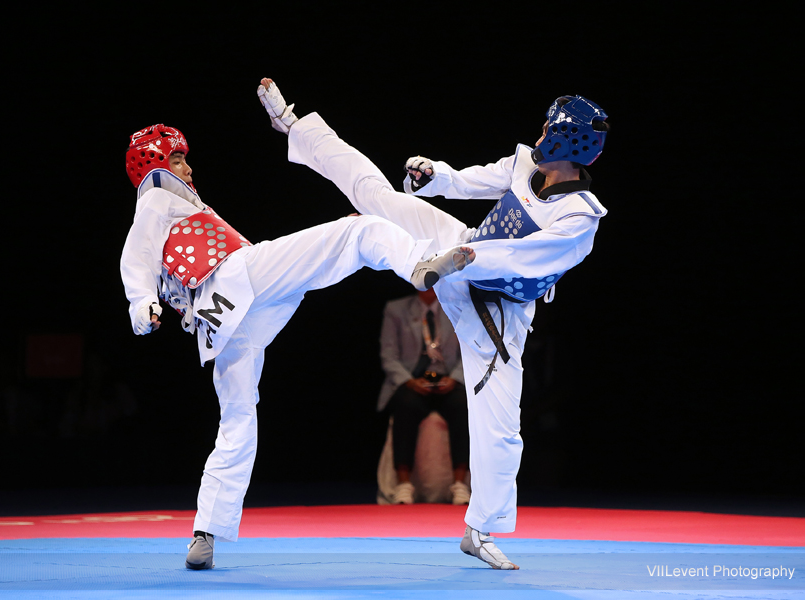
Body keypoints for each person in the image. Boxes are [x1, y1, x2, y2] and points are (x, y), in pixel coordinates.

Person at [257, 78, 609, 570]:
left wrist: (462, 258)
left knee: (502, 430)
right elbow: (474, 180)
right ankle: (295, 127)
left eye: (551, 126)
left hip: (496, 314)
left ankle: (479, 529)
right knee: (377, 196)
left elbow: (522, 258)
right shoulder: (526, 164)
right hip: (456, 250)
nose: (542, 130)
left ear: (568, 140)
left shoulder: (580, 216)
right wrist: (436, 176)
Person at [119, 124, 475, 570]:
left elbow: (149, 259)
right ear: (153, 165)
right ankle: (416, 264)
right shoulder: (156, 196)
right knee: (358, 233)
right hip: (240, 280)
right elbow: (135, 256)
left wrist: (147, 305)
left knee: (237, 423)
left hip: (223, 325)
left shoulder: (177, 202)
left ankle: (204, 532)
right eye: (176, 160)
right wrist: (141, 305)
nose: (186, 167)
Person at [378, 287, 470, 505]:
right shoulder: (396, 309)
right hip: (412, 380)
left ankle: (460, 484)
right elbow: (388, 355)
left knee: (463, 405)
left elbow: (471, 350)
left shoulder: (458, 306)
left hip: (448, 380)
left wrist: (455, 378)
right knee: (405, 405)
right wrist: (409, 381)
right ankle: (403, 484)